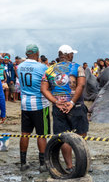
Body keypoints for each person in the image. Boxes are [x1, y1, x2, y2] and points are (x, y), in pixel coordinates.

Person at [41, 45, 89, 172]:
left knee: (64, 137)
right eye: (72, 54)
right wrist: (72, 102)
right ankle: (83, 165)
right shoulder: (77, 67)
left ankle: (69, 166)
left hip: (59, 108)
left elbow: (44, 89)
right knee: (81, 136)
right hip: (76, 106)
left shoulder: (50, 69)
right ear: (69, 55)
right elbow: (82, 85)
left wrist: (56, 102)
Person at [17, 44, 51, 172]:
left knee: (25, 133)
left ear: (26, 54)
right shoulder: (43, 67)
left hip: (25, 103)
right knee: (41, 135)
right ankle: (43, 164)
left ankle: (23, 163)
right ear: (37, 54)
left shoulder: (19, 67)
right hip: (40, 104)